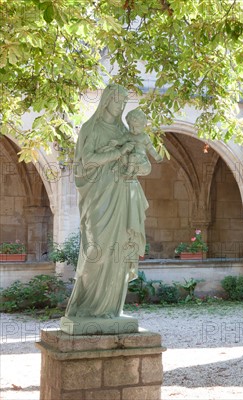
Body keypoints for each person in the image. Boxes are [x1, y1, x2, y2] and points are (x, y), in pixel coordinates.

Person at [64, 84, 148, 320]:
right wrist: (118, 153)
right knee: (97, 249)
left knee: (118, 250)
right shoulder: (91, 129)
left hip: (122, 195)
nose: (120, 106)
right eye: (117, 100)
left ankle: (111, 308)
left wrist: (139, 163)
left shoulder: (124, 132)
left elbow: (142, 162)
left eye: (124, 102)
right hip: (99, 196)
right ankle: (88, 306)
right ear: (106, 100)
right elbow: (86, 161)